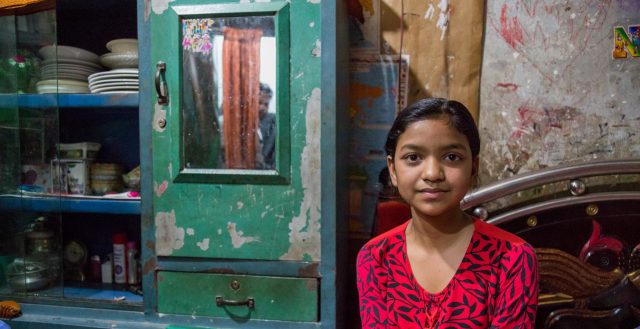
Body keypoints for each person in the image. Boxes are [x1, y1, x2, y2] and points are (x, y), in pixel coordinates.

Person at [357, 98, 538, 328]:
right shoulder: (375, 258)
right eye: (414, 158)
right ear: (393, 169)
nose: (432, 174)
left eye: (451, 157)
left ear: (473, 168)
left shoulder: (513, 259)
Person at [258, 83, 276, 169]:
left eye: (266, 104)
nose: (262, 108)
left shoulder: (274, 122)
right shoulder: (237, 123)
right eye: (259, 103)